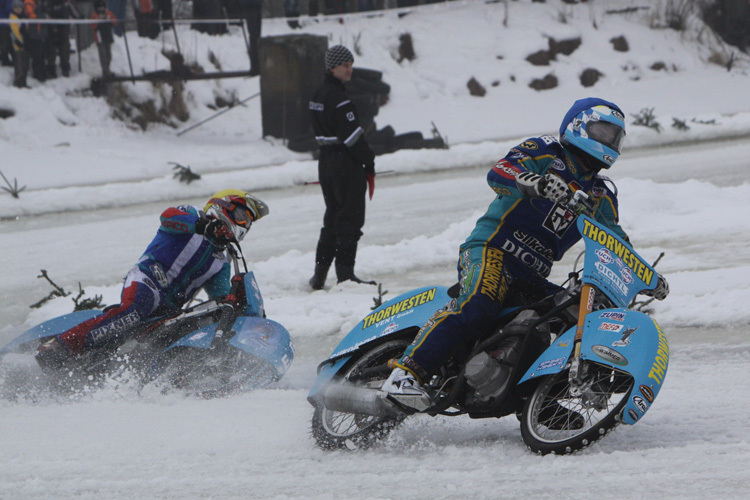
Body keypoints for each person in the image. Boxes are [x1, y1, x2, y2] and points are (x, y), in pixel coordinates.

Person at [381, 97, 670, 411]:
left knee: (567, 316)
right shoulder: (546, 150)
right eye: (601, 131)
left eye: (614, 136)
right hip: (491, 249)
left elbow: (615, 239)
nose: (608, 141)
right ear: (578, 125)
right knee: (481, 302)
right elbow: (500, 172)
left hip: (532, 273)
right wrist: (537, 182)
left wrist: (646, 275)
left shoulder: (602, 193)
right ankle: (406, 373)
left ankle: (539, 400)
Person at [35, 190, 269, 372]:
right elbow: (168, 217)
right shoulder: (193, 215)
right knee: (135, 311)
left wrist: (233, 303)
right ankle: (60, 347)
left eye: (248, 223)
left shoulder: (222, 258)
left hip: (171, 308)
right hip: (147, 281)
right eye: (241, 217)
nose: (243, 225)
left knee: (181, 329)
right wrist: (203, 226)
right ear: (223, 205)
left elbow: (219, 295)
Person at [308, 44, 376, 290]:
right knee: (349, 218)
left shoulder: (317, 95)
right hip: (345, 163)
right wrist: (369, 158)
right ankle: (346, 277)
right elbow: (352, 137)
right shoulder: (339, 98)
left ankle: (319, 276)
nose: (350, 70)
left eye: (351, 65)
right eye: (345, 65)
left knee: (332, 217)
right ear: (332, 67)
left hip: (325, 161)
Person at [46, 0, 81, 78]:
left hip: (64, 32)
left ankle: (65, 70)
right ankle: (51, 71)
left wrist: (80, 16)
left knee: (64, 52)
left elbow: (76, 14)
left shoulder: (67, 3)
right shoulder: (48, 3)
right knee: (51, 53)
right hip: (51, 32)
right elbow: (45, 14)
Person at [91, 0, 117, 77]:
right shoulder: (94, 15)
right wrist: (99, 19)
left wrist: (109, 19)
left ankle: (108, 69)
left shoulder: (109, 14)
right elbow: (93, 26)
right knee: (103, 55)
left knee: (109, 55)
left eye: (103, 7)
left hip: (108, 37)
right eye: (100, 7)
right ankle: (105, 71)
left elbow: (115, 22)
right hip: (100, 38)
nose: (101, 9)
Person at [236, 0, 262, 75]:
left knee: (256, 36)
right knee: (254, 36)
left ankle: (256, 65)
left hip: (254, 5)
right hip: (251, 5)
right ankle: (255, 66)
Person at [9, 0, 29, 87]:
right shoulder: (13, 17)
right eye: (16, 7)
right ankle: (18, 83)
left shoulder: (22, 17)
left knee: (25, 65)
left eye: (20, 7)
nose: (18, 9)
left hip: (24, 44)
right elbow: (14, 32)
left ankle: (23, 82)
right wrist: (19, 42)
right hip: (17, 46)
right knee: (19, 65)